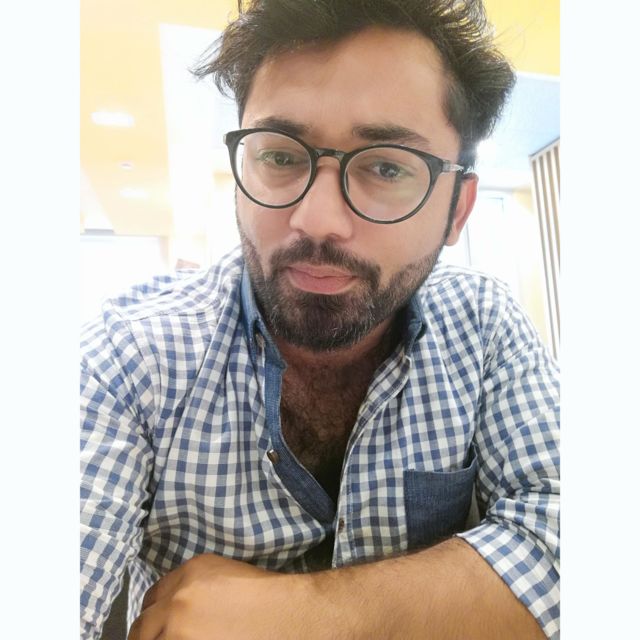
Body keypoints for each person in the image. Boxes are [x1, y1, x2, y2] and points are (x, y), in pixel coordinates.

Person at [80, 1, 559, 638]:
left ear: (457, 211)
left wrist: (300, 615)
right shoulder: (128, 358)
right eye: (280, 157)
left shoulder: (484, 329)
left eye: (386, 166)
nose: (317, 220)